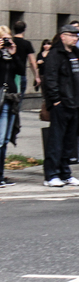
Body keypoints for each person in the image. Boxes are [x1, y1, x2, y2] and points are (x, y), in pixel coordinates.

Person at [42, 24, 79, 187]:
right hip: (62, 105)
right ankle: (51, 175)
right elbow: (50, 79)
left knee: (69, 142)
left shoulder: (76, 54)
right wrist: (56, 101)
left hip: (75, 105)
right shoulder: (55, 54)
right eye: (72, 35)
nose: (75, 38)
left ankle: (65, 173)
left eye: (77, 36)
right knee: (56, 141)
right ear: (63, 36)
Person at [0, 26, 25, 187]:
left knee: (6, 139)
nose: (7, 41)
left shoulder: (10, 55)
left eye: (9, 38)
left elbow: (21, 71)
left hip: (11, 100)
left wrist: (14, 54)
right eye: (4, 38)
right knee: (0, 139)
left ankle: (1, 174)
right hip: (1, 101)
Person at [12, 21, 41, 98]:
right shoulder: (26, 44)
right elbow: (32, 61)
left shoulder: (10, 42)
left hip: (9, 74)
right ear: (24, 30)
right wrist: (36, 76)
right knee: (18, 99)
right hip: (21, 73)